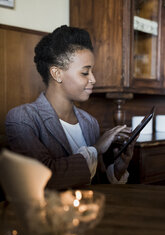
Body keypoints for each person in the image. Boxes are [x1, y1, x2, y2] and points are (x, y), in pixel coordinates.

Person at [5, 25, 134, 190]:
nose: (93, 79)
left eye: (92, 72)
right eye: (85, 73)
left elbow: (97, 182)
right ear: (57, 74)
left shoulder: (90, 122)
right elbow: (44, 179)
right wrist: (96, 149)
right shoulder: (22, 119)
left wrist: (119, 167)